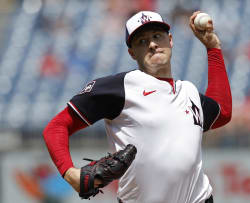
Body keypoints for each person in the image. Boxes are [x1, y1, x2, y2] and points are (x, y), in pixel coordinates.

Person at [43, 10, 232, 203]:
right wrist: (70, 172)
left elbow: (222, 113)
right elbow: (56, 127)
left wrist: (213, 48)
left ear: (170, 40)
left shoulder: (188, 91)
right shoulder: (120, 87)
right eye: (142, 41)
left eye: (157, 36)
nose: (152, 44)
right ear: (131, 52)